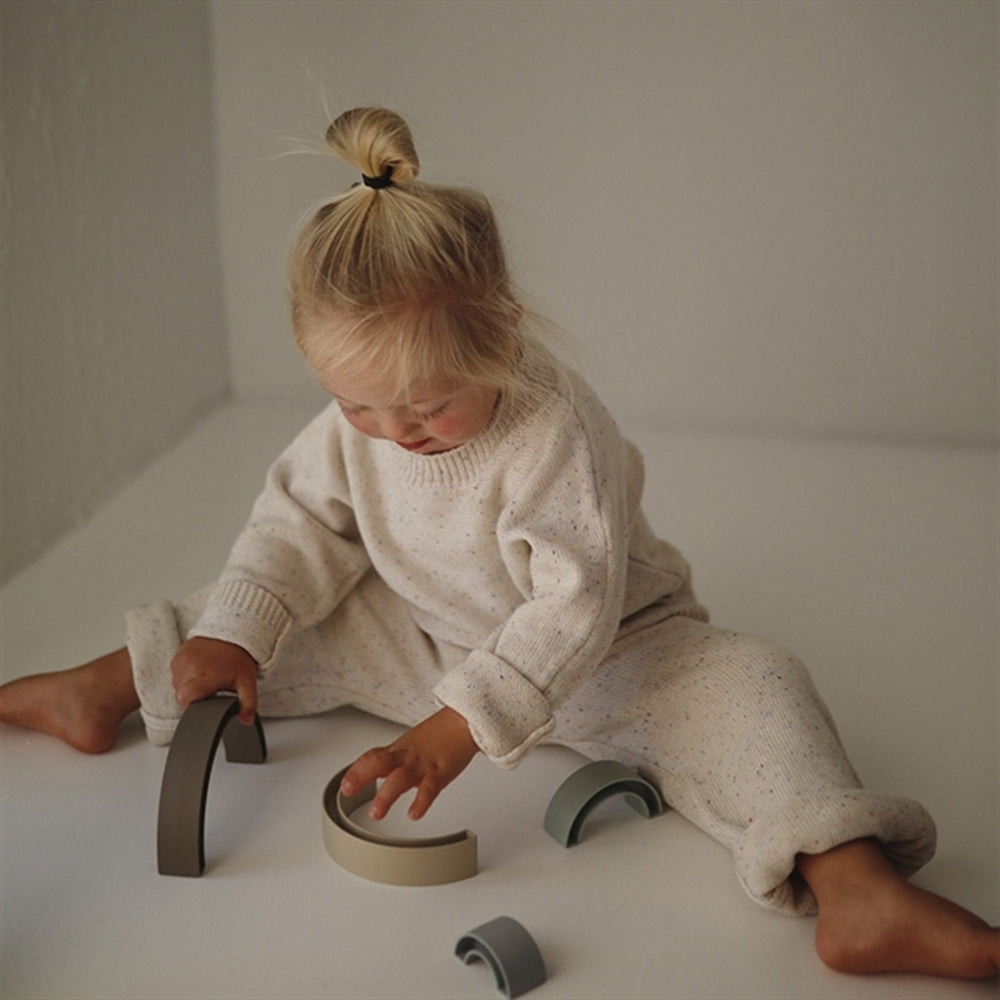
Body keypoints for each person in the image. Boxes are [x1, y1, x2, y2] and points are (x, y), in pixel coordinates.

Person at [1, 107, 997, 981]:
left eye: (427, 406)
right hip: (425, 629)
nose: (392, 433)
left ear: (503, 336)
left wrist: (456, 726)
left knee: (760, 684)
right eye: (355, 404)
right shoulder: (360, 426)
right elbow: (297, 522)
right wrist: (234, 630)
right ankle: (108, 684)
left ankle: (856, 888)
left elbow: (571, 603)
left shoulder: (553, 430)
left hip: (611, 655)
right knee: (267, 615)